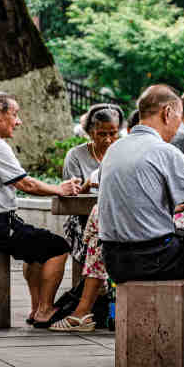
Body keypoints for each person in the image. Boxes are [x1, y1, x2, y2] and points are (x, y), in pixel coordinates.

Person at [98, 84, 184, 367]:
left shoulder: (115, 149)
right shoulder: (164, 151)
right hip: (149, 258)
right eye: (178, 116)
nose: (177, 126)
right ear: (168, 112)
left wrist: (174, 207)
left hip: (112, 260)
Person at [0, 92, 81, 327]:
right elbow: (26, 184)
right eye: (15, 115)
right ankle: (45, 310)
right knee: (59, 247)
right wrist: (59, 189)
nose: (18, 121)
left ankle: (36, 309)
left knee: (35, 248)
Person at [61, 103, 123, 270]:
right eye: (102, 134)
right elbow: (70, 201)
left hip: (117, 216)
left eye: (113, 133)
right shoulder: (75, 156)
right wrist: (87, 185)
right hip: (82, 220)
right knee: (97, 239)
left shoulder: (123, 153)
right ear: (90, 132)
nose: (108, 139)